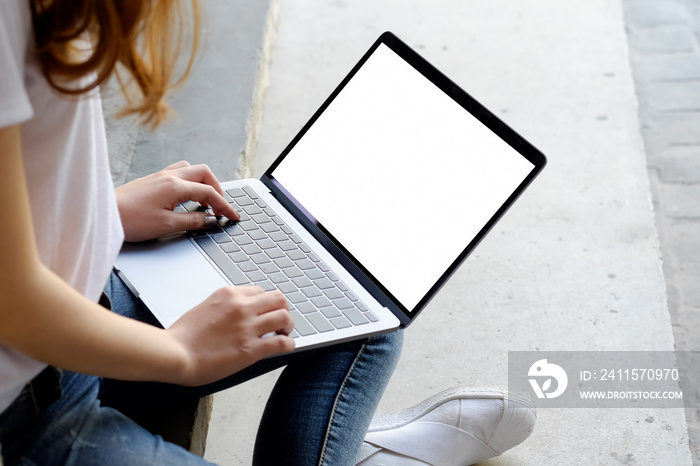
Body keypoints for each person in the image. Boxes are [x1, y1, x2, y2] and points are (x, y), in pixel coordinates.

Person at [0, 0, 536, 464]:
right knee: (355, 306)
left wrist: (101, 212)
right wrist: (181, 353)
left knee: (368, 314)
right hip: (32, 403)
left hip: (83, 308)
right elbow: (13, 303)